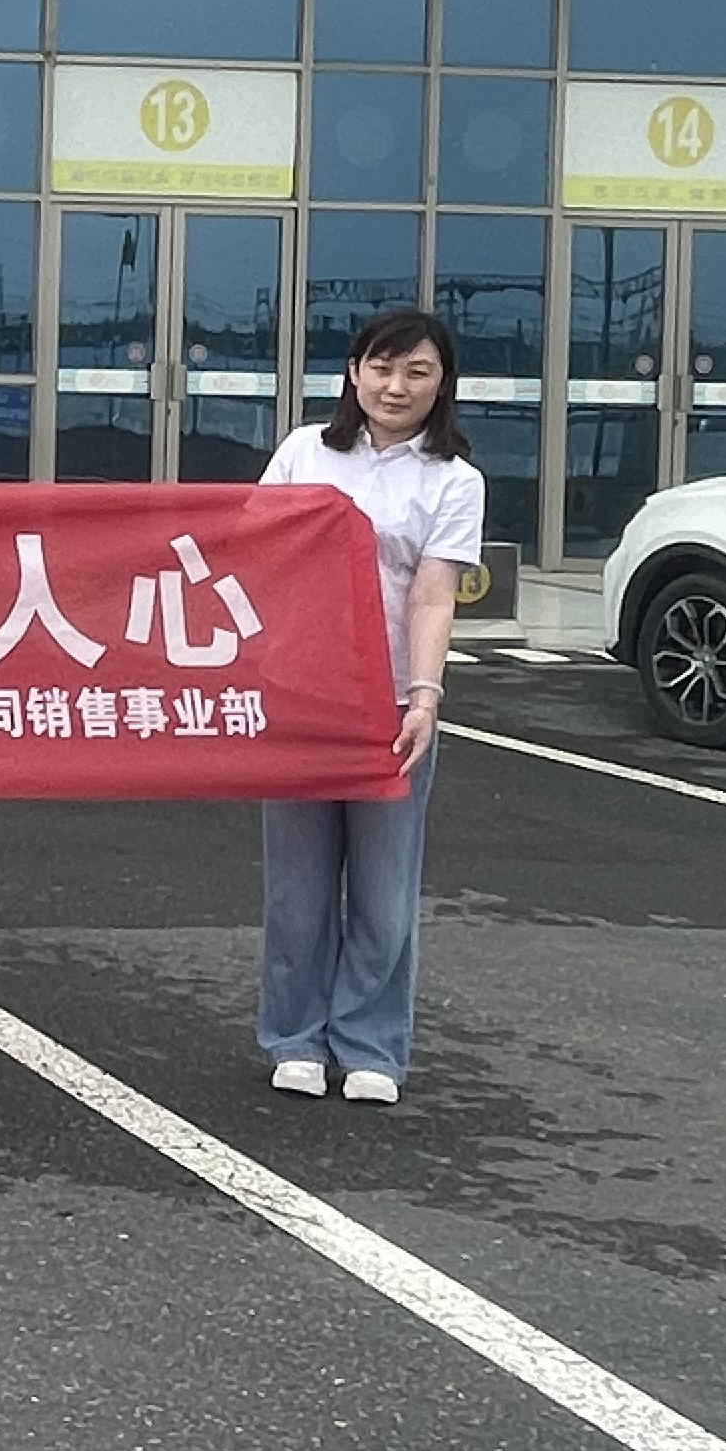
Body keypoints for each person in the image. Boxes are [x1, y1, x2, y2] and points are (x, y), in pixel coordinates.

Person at [254, 305, 486, 1108]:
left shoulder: (454, 480)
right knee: (298, 891)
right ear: (353, 372)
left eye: (418, 371)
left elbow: (432, 595)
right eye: (382, 368)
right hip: (302, 699)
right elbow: (255, 554)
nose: (397, 386)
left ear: (442, 384)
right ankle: (294, 1038)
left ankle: (371, 1045)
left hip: (389, 708)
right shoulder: (304, 453)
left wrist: (425, 695)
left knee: (386, 895)